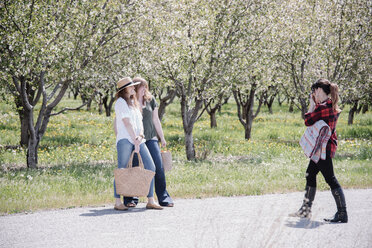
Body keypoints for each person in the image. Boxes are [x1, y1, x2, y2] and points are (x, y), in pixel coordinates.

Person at [291, 79, 347, 223]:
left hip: (322, 149)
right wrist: (315, 104)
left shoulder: (322, 108)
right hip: (322, 148)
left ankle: (342, 213)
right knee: (310, 174)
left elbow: (308, 121)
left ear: (320, 90)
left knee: (331, 179)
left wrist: (311, 104)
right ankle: (305, 210)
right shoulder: (330, 105)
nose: (314, 93)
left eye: (315, 90)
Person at [123, 77, 174, 207]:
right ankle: (131, 199)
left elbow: (156, 120)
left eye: (146, 86)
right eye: (142, 86)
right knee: (135, 167)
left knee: (158, 166)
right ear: (135, 88)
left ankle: (163, 197)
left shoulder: (151, 100)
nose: (144, 89)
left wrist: (162, 137)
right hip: (135, 139)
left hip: (150, 138)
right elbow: (123, 120)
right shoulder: (129, 101)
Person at [113, 77, 163, 210]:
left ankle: (150, 200)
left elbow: (139, 122)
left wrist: (140, 136)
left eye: (134, 86)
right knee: (122, 170)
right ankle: (118, 202)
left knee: (151, 166)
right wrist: (134, 138)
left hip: (138, 139)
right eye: (131, 87)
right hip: (125, 139)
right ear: (124, 89)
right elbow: (126, 122)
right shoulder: (120, 103)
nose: (133, 88)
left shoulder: (133, 103)